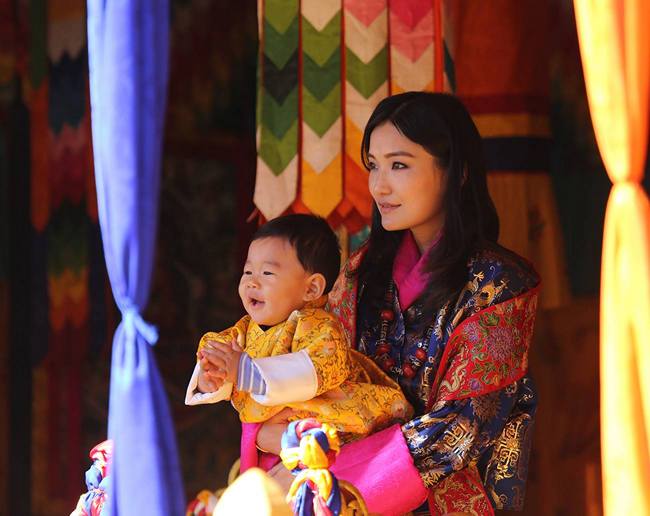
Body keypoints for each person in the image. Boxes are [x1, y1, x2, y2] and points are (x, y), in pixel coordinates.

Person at [249, 92, 541, 515]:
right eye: (373, 165)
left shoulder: (500, 287)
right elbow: (327, 383)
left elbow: (457, 431)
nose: (379, 185)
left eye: (399, 165)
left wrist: (328, 479)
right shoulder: (359, 274)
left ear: (456, 172)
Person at [185, 214, 412, 443]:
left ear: (312, 288)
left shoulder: (318, 326)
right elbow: (218, 361)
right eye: (248, 272)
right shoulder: (242, 332)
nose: (252, 282)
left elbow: (315, 370)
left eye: (267, 273)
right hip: (281, 432)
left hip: (334, 423)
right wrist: (211, 377)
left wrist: (245, 371)